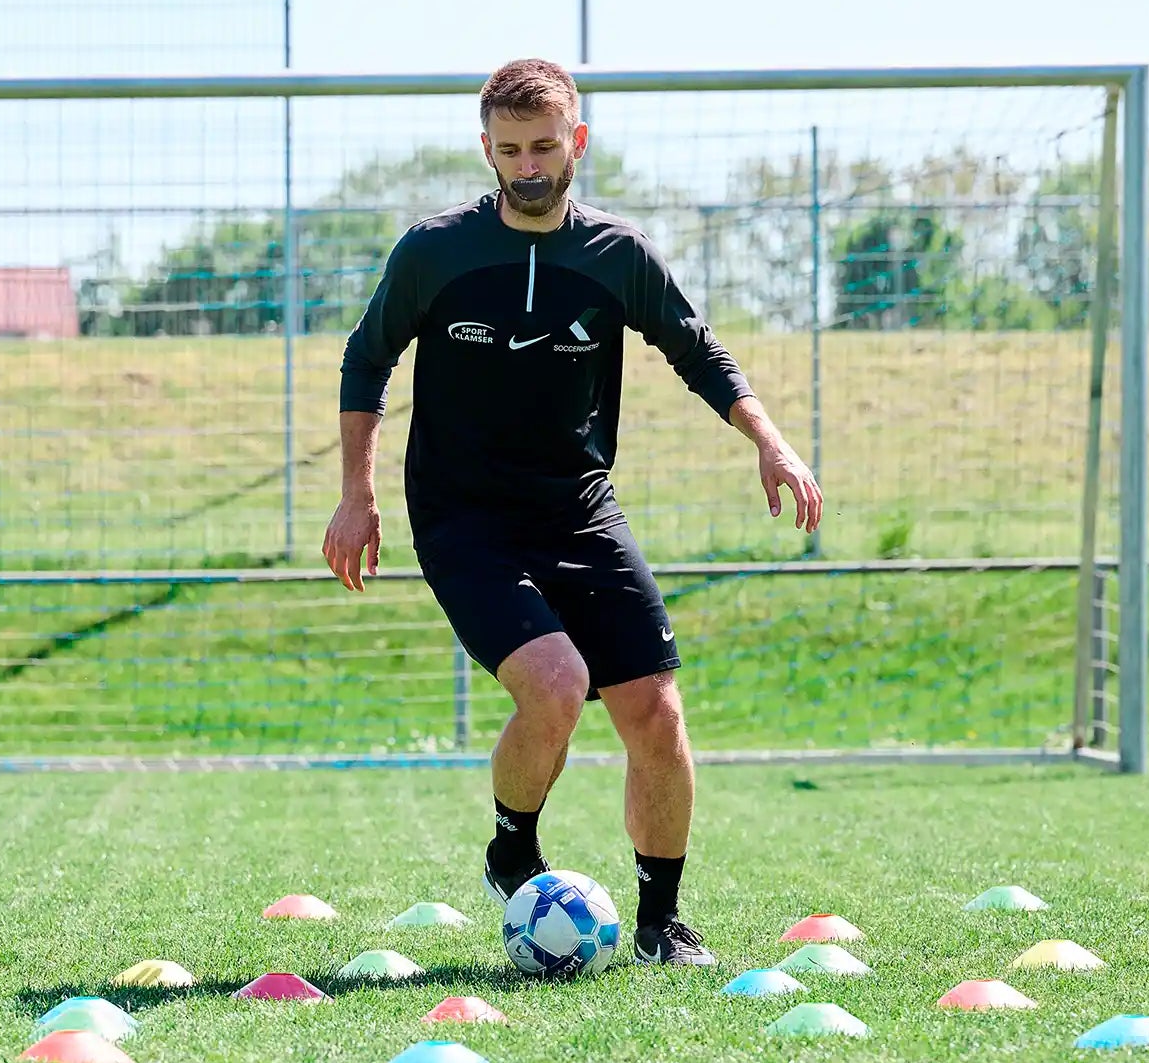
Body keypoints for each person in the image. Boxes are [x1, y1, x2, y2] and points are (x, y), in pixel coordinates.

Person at [322, 58, 823, 965]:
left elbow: (697, 349)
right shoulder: (434, 251)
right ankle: (513, 845)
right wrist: (356, 495)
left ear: (576, 143)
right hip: (462, 515)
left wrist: (769, 440)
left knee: (655, 713)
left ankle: (660, 921)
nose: (528, 164)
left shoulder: (616, 255)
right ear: (486, 150)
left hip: (580, 510)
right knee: (554, 686)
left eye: (544, 145)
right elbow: (366, 362)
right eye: (509, 149)